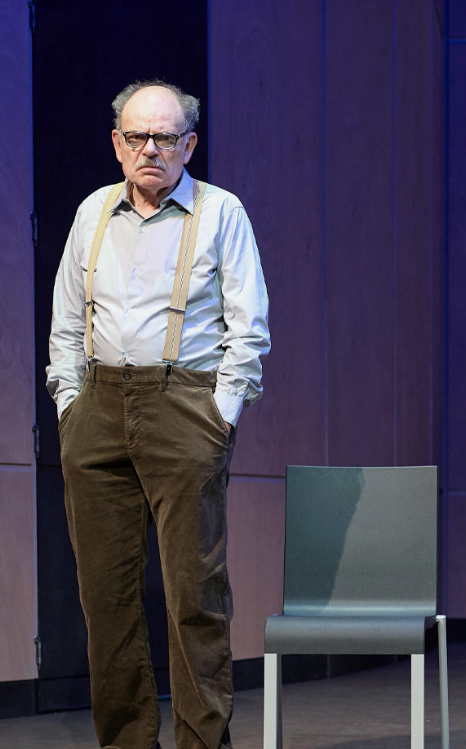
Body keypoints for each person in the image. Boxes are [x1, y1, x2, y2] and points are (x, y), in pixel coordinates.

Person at [46, 80, 270, 749]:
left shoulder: (220, 212)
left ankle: (202, 741)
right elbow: (66, 324)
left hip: (185, 408)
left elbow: (248, 328)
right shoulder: (93, 212)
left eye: (166, 137)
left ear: (188, 145)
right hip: (97, 410)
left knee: (194, 595)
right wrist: (69, 405)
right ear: (117, 143)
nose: (151, 149)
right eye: (138, 136)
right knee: (106, 597)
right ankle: (125, 741)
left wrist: (220, 415)